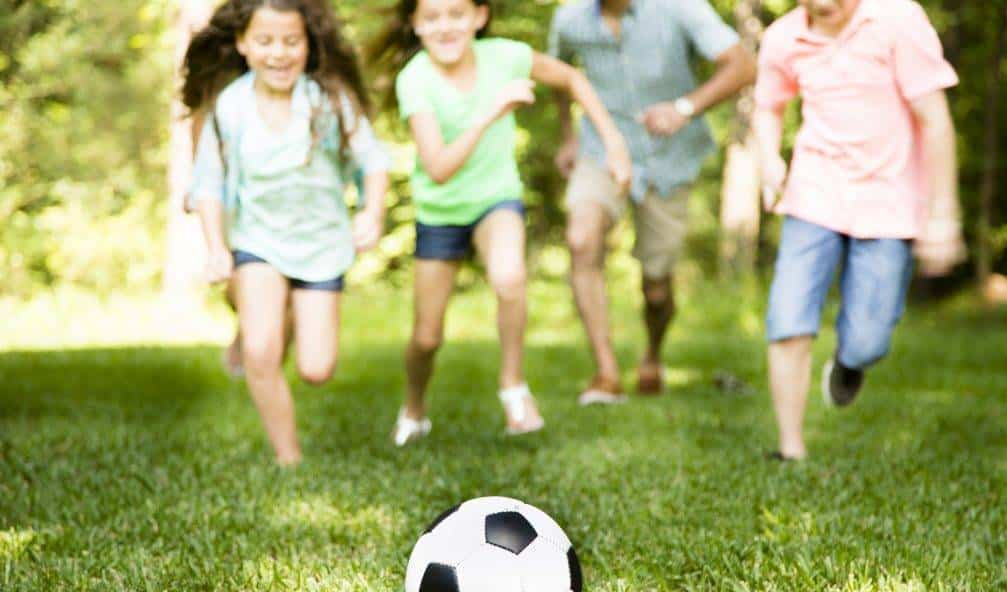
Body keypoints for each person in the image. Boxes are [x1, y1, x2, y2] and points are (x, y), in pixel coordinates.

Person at [368, 0, 632, 446]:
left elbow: (570, 77)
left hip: (496, 198)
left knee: (510, 278)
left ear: (479, 17)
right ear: (414, 25)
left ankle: (513, 386)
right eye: (431, 18)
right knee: (427, 337)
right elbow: (438, 168)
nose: (445, 26)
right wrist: (491, 111)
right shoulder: (415, 78)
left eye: (456, 14)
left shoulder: (505, 56)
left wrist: (614, 143)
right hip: (441, 210)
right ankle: (414, 405)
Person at [754, 0, 964, 461]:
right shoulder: (783, 38)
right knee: (788, 317)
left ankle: (850, 363)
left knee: (870, 338)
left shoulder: (898, 20)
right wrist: (769, 159)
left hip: (890, 198)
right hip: (814, 190)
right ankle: (791, 450)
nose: (824, 9)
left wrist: (943, 213)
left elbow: (936, 120)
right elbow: (767, 107)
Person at [184, 0, 391, 466]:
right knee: (262, 351)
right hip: (259, 242)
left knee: (316, 369)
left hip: (322, 247)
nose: (279, 53)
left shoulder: (329, 100)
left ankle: (273, 317)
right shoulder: (230, 106)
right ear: (242, 45)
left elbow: (373, 161)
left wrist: (372, 213)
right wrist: (216, 247)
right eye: (265, 41)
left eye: (290, 41)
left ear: (308, 44)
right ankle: (288, 458)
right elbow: (208, 184)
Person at [548, 0, 756, 404]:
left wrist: (685, 108)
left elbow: (743, 65)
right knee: (581, 239)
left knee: (657, 286)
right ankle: (606, 374)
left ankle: (652, 353)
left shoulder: (680, 8)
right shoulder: (569, 18)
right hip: (602, 150)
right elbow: (560, 75)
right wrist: (567, 136)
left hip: (669, 156)